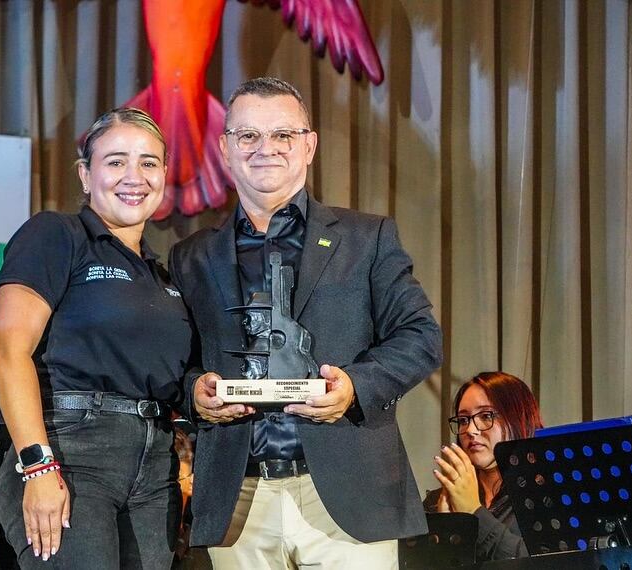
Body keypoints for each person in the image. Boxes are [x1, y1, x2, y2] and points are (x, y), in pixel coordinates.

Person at [168, 77, 443, 568]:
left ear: (309, 146)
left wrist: (355, 386)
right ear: (225, 149)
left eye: (283, 135)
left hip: (348, 494)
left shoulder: (367, 237)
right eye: (247, 136)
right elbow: (180, 361)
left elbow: (421, 337)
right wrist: (195, 392)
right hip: (239, 500)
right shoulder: (191, 256)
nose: (265, 148)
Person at [0, 108, 193, 570]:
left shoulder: (164, 276)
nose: (134, 176)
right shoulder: (56, 234)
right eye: (116, 161)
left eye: (149, 163)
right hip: (70, 453)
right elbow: (9, 352)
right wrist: (38, 468)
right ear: (85, 174)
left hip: (154, 469)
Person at [425, 371, 542, 560]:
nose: (470, 430)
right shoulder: (437, 501)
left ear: (518, 418)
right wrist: (444, 528)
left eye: (486, 416)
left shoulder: (544, 495)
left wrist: (473, 512)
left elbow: (545, 563)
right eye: (463, 420)